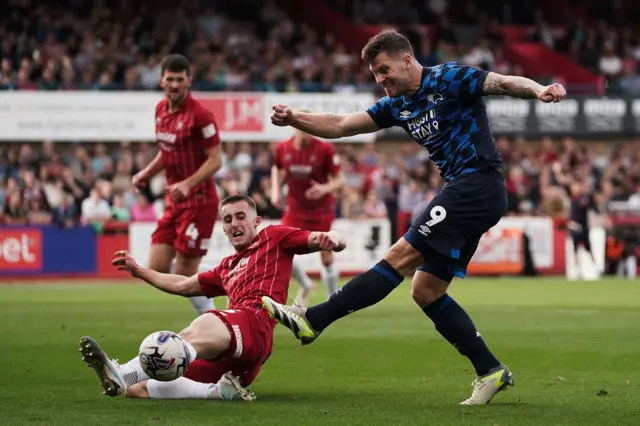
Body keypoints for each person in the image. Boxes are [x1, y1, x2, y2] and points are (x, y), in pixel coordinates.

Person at [262, 29, 567, 405]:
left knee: (399, 256)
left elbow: (502, 82)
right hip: (465, 192)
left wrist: (537, 90)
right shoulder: (397, 105)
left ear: (407, 60)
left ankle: (314, 319)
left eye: (384, 69)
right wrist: (295, 118)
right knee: (426, 290)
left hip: (478, 185)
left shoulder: (450, 78)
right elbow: (341, 126)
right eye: (375, 73)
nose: (380, 79)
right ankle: (490, 370)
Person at [79, 195, 347, 401]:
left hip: (255, 325)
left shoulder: (273, 237)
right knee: (137, 390)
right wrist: (140, 271)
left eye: (241, 216)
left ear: (256, 222)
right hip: (238, 359)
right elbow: (183, 284)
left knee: (201, 324)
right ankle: (217, 392)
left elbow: (321, 237)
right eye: (228, 220)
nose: (234, 223)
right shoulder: (227, 266)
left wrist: (332, 239)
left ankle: (123, 372)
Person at [132, 54, 222, 315]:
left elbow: (216, 160)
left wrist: (188, 183)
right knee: (156, 267)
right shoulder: (160, 110)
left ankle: (214, 320)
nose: (174, 84)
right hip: (175, 202)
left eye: (179, 80)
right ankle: (212, 310)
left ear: (189, 81)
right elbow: (167, 151)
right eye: (170, 79)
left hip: (200, 202)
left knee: (184, 274)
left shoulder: (201, 116)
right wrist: (145, 173)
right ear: (161, 80)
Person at [271, 122, 344, 306]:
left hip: (320, 211)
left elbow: (339, 180)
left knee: (326, 256)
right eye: (302, 130)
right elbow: (277, 168)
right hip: (295, 209)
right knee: (281, 248)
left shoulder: (325, 149)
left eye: (309, 130)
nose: (306, 134)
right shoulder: (282, 148)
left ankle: (332, 300)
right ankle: (306, 284)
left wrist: (324, 188)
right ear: (294, 128)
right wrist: (275, 190)